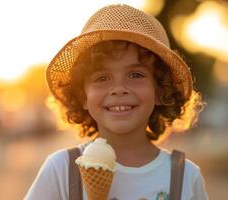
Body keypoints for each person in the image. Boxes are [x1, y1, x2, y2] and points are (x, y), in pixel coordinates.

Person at [25, 4, 208, 200]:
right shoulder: (62, 169)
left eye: (136, 75)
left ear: (160, 90)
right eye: (102, 78)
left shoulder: (185, 177)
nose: (119, 88)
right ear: (83, 96)